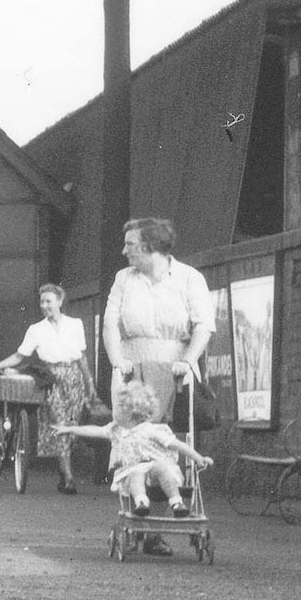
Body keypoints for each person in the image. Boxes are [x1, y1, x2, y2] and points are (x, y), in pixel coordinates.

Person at [101, 217, 216, 555]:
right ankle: (135, 512)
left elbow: (204, 326)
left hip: (174, 368)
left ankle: (157, 529)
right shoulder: (124, 279)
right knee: (133, 442)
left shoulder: (189, 278)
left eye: (131, 245)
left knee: (166, 444)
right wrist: (116, 360)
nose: (124, 251)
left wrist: (189, 360)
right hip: (131, 367)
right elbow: (110, 324)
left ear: (151, 247)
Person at [0, 283, 95, 495]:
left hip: (74, 377)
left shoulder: (75, 324)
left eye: (49, 301)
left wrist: (89, 382)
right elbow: (20, 355)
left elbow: (82, 356)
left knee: (73, 427)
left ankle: (62, 465)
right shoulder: (36, 329)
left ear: (60, 301)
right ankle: (68, 476)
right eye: (42, 302)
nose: (44, 305)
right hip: (51, 378)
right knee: (60, 424)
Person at [53, 381, 213, 517]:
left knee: (161, 467)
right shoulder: (116, 430)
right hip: (133, 472)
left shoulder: (151, 430)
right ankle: (141, 502)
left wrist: (198, 458)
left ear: (129, 414)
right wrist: (70, 429)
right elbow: (95, 430)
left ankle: (176, 502)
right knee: (136, 472)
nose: (112, 412)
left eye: (116, 409)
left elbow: (177, 444)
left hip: (156, 474)